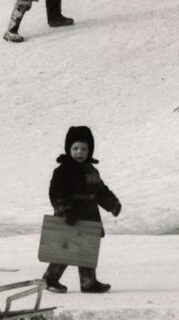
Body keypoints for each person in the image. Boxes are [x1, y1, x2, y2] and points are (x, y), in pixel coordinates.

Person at [43, 126, 121, 294]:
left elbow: (100, 190)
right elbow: (56, 193)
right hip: (70, 216)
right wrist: (65, 210)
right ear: (68, 149)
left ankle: (88, 282)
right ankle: (50, 279)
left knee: (88, 248)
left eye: (84, 149)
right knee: (65, 248)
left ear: (90, 150)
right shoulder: (63, 171)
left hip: (89, 214)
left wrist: (112, 203)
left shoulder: (91, 170)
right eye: (75, 148)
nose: (80, 152)